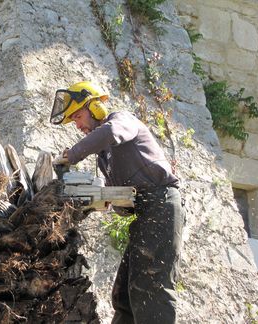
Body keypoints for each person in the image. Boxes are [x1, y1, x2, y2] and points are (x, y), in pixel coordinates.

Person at [50, 81, 184, 324]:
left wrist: (74, 154)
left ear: (96, 108)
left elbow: (110, 132)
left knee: (150, 289)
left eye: (78, 116)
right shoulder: (106, 158)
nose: (78, 125)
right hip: (145, 215)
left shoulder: (122, 119)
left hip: (161, 206)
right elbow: (124, 201)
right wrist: (98, 199)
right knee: (123, 295)